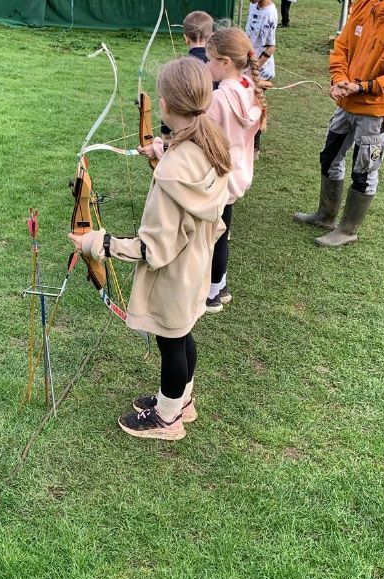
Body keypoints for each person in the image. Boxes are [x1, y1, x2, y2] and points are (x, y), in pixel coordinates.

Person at [69, 57, 231, 441]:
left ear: (165, 104)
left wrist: (97, 243)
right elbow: (190, 202)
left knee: (171, 343)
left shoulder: (177, 167)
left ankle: (167, 418)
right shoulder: (210, 143)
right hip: (196, 265)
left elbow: (153, 248)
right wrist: (161, 156)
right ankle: (180, 401)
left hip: (173, 274)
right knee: (182, 335)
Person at [293, 0, 384, 247]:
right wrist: (339, 78)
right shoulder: (364, 4)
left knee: (364, 170)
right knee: (329, 156)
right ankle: (325, 215)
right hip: (346, 104)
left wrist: (361, 87)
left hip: (376, 111)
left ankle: (348, 230)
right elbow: (343, 46)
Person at [203, 28, 266, 313]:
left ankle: (211, 295)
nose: (207, 65)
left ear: (226, 62)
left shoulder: (220, 98)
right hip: (237, 173)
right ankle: (221, 286)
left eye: (210, 60)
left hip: (218, 177)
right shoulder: (248, 86)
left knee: (213, 237)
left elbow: (203, 138)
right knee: (222, 232)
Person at [161, 11, 215, 143]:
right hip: (213, 128)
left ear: (186, 38)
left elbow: (171, 99)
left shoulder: (182, 69)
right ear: (211, 37)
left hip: (187, 132)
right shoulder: (218, 66)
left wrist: (166, 134)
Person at [245, 0, 277, 156]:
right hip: (247, 66)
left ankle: (254, 148)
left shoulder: (269, 14)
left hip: (260, 71)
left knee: (255, 107)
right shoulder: (254, 5)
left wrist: (255, 68)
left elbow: (270, 47)